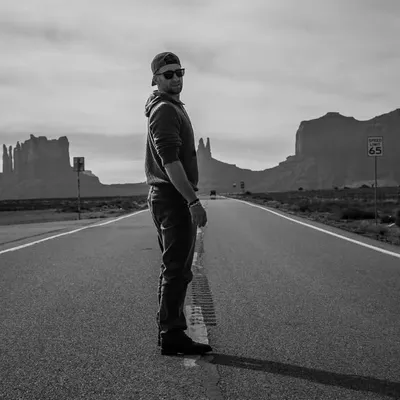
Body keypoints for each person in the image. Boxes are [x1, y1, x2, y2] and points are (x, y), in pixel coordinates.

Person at [144, 52, 212, 356]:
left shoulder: (170, 107)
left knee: (173, 267)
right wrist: (192, 201)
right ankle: (171, 333)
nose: (176, 79)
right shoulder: (164, 111)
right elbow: (170, 161)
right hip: (173, 198)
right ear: (155, 79)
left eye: (179, 72)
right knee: (177, 270)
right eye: (168, 74)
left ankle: (169, 329)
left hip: (167, 197)